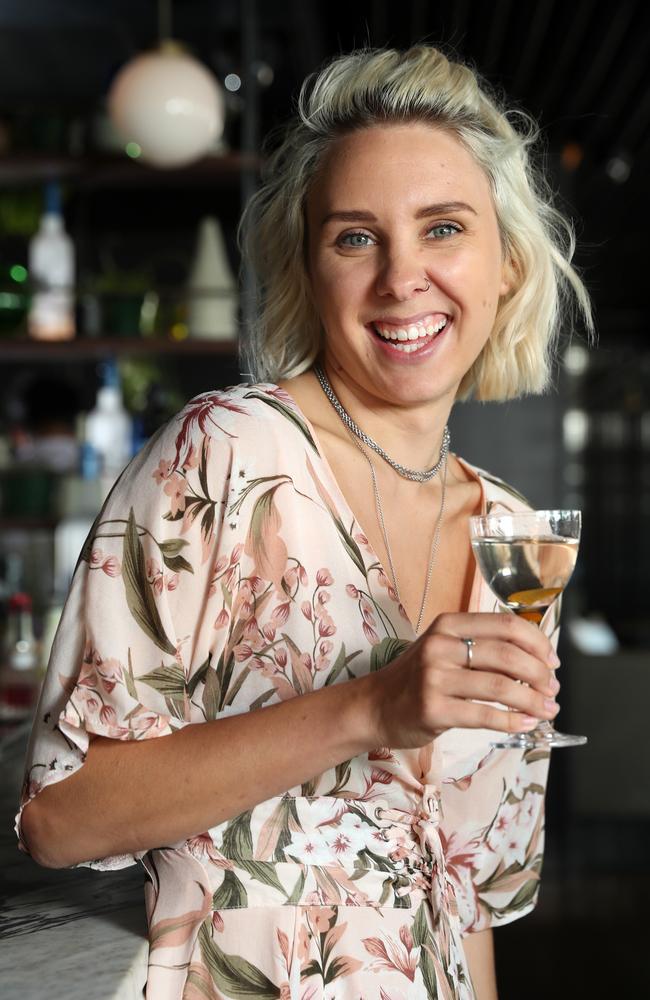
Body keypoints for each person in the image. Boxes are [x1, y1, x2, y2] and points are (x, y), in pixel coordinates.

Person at [17, 45, 592, 1000]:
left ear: (507, 265)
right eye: (356, 237)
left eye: (443, 228)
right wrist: (370, 708)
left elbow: (468, 895)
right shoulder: (227, 452)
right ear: (311, 270)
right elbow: (63, 816)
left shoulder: (515, 532)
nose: (403, 277)